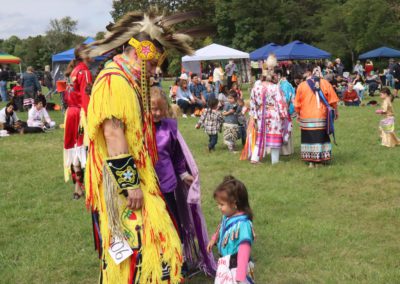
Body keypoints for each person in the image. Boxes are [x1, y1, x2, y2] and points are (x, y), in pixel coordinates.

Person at [81, 10, 204, 283]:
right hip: (124, 186)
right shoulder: (114, 81)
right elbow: (113, 134)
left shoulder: (128, 81)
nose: (154, 71)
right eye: (152, 64)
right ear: (139, 52)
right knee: (142, 246)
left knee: (155, 244)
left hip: (139, 179)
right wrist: (130, 184)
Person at [151, 87, 216, 275]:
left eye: (159, 109)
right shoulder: (139, 129)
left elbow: (177, 154)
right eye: (152, 109)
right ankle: (159, 260)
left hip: (168, 184)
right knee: (156, 225)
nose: (155, 113)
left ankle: (179, 259)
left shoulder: (169, 127)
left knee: (174, 222)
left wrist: (182, 174)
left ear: (165, 109)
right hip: (149, 186)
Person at [207, 176, 255, 284]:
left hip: (236, 267)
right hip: (225, 264)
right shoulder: (228, 216)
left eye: (222, 204)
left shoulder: (243, 224)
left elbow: (244, 248)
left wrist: (241, 274)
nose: (219, 207)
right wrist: (214, 239)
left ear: (234, 204)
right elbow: (221, 227)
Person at [63, 44, 93, 199]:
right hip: (81, 115)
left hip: (71, 114)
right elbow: (86, 98)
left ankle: (77, 188)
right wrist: (91, 118)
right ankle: (87, 185)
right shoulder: (85, 72)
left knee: (76, 149)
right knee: (85, 149)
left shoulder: (73, 70)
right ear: (86, 55)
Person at [294, 65, 339, 167]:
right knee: (321, 137)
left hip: (306, 116)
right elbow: (333, 101)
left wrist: (298, 114)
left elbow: (297, 103)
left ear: (309, 74)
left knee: (309, 138)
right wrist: (336, 112)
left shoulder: (302, 85)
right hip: (321, 115)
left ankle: (311, 161)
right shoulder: (326, 83)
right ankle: (321, 160)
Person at [279, 74, 295, 156]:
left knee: (284, 129)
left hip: (284, 111)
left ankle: (285, 151)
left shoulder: (283, 85)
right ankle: (289, 150)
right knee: (287, 129)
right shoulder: (289, 84)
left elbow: (286, 99)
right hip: (287, 111)